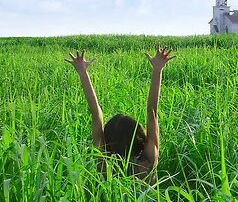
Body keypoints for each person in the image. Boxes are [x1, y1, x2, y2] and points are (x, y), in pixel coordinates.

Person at [64, 45, 175, 185]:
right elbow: (152, 112)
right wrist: (158, 70)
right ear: (139, 135)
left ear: (107, 139)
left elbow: (95, 113)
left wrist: (82, 73)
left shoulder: (104, 165)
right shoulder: (147, 162)